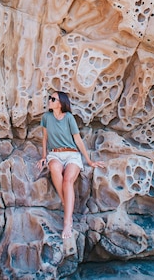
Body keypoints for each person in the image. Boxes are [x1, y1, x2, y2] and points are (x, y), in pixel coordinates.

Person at [36, 90, 104, 239]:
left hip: (72, 154)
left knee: (67, 180)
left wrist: (89, 161)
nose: (50, 101)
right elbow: (45, 138)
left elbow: (78, 140)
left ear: (60, 103)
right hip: (55, 154)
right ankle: (68, 206)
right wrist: (43, 156)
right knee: (54, 167)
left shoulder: (69, 118)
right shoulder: (46, 117)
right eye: (50, 98)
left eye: (53, 99)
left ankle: (67, 222)